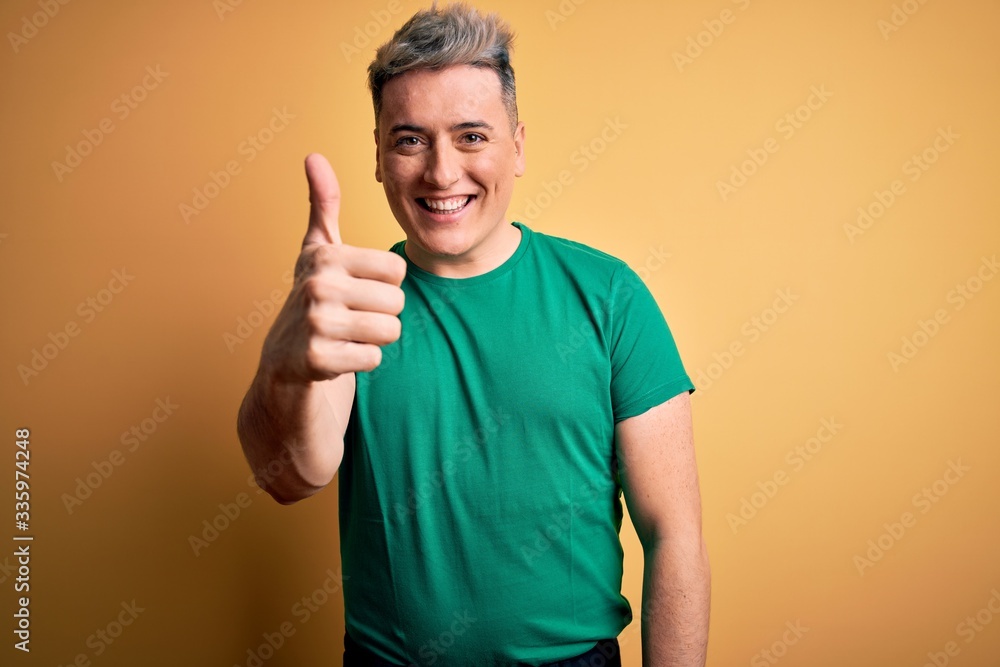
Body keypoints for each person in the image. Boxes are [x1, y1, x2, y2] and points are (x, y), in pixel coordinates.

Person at [236, 4, 710, 666]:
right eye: (409, 139)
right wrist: (282, 369)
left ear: (517, 146)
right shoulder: (352, 306)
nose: (440, 172)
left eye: (470, 136)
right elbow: (290, 476)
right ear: (378, 155)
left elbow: (674, 535)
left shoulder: (610, 297)